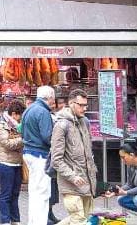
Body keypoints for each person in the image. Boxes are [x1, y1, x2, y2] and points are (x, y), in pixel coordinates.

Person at [50, 89, 97, 225]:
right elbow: (56, 159)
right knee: (78, 219)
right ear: (71, 103)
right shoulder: (61, 125)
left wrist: (93, 175)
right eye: (80, 105)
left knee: (82, 218)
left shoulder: (84, 122)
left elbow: (88, 153)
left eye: (85, 105)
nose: (84, 108)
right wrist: (72, 176)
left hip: (87, 182)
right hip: (71, 183)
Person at [21, 85, 55, 225]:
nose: (54, 101)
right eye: (53, 98)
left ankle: (33, 221)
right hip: (40, 155)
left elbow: (22, 131)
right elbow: (47, 136)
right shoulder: (43, 112)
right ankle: (40, 222)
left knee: (34, 191)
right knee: (42, 192)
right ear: (50, 97)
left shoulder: (29, 109)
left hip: (29, 152)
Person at [0, 99, 25, 225]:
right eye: (20, 117)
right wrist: (23, 140)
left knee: (15, 194)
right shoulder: (0, 124)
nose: (21, 120)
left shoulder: (16, 125)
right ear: (14, 114)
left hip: (17, 163)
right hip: (5, 163)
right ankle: (5, 221)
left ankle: (15, 220)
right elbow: (7, 143)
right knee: (6, 194)